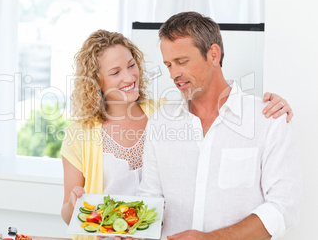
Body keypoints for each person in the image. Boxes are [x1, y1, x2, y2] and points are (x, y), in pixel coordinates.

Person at [60, 29, 293, 240]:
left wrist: (275, 105)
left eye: (132, 65)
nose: (129, 77)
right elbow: (69, 213)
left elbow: (210, 107)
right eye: (115, 72)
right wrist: (76, 205)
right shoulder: (79, 135)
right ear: (96, 81)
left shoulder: (164, 113)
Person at [137, 12, 302, 239]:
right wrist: (129, 229)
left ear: (213, 54)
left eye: (182, 62)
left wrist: (212, 238)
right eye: (168, 65)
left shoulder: (268, 120)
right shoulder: (160, 121)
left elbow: (283, 208)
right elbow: (150, 197)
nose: (174, 74)